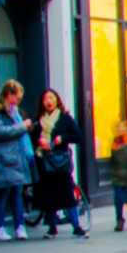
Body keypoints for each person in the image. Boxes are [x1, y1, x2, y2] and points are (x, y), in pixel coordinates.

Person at [0, 80, 33, 241]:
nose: (18, 102)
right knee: (2, 193)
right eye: (17, 98)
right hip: (1, 159)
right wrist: (23, 126)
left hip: (14, 158)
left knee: (16, 192)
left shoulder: (14, 112)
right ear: (8, 94)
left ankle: (20, 226)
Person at [32, 89, 88, 239]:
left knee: (67, 195)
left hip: (60, 164)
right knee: (48, 196)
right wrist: (39, 141)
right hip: (45, 163)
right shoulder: (39, 120)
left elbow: (79, 137)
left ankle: (76, 227)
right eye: (45, 99)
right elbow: (32, 138)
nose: (48, 102)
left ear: (57, 100)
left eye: (51, 98)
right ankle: (52, 228)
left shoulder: (65, 118)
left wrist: (62, 138)